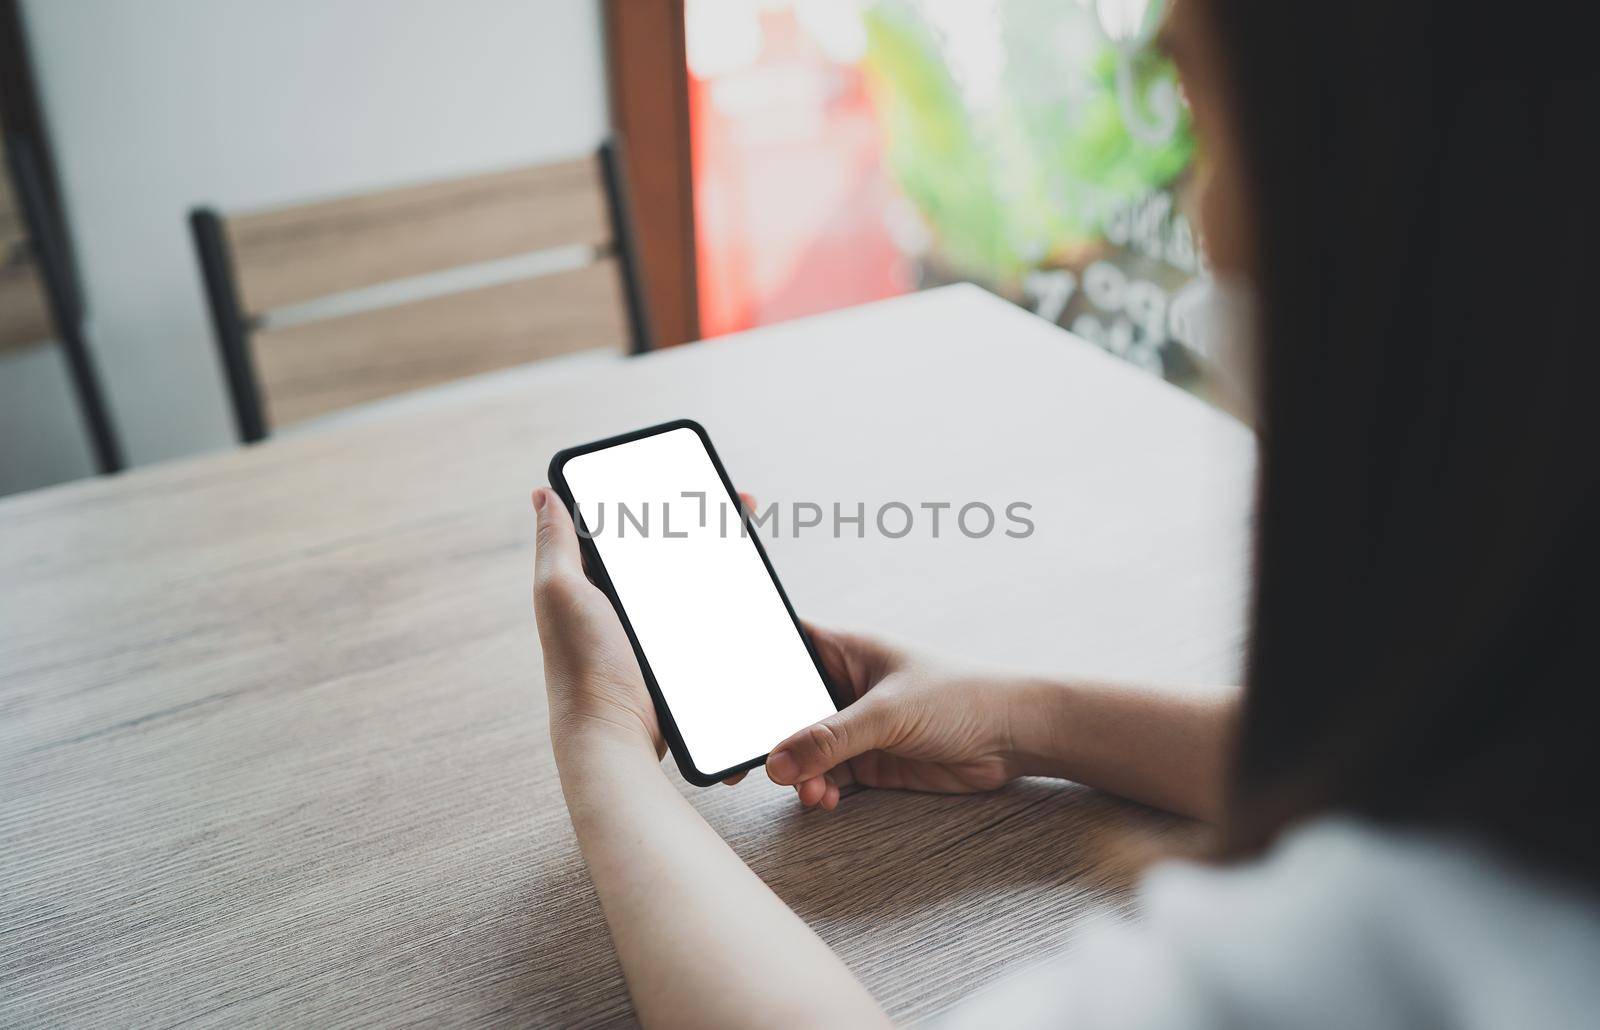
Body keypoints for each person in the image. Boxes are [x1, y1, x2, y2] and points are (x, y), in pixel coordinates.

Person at [529, 0, 1600, 1025]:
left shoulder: (1367, 960)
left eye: (1196, 110)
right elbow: (1441, 760)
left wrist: (605, 744)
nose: (1199, 210)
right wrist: (1018, 714)